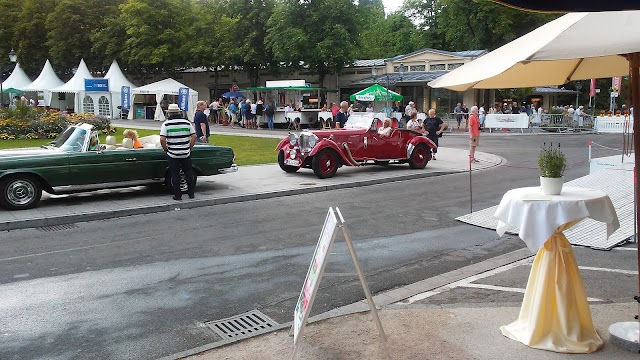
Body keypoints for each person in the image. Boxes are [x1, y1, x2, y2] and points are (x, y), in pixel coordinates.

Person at [160, 104, 197, 200]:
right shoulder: (186, 123)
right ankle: (191, 193)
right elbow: (194, 136)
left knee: (175, 174)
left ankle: (178, 195)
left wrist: (165, 149)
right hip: (186, 152)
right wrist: (190, 147)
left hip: (172, 153)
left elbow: (162, 139)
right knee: (188, 173)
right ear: (179, 113)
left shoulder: (166, 124)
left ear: (169, 113)